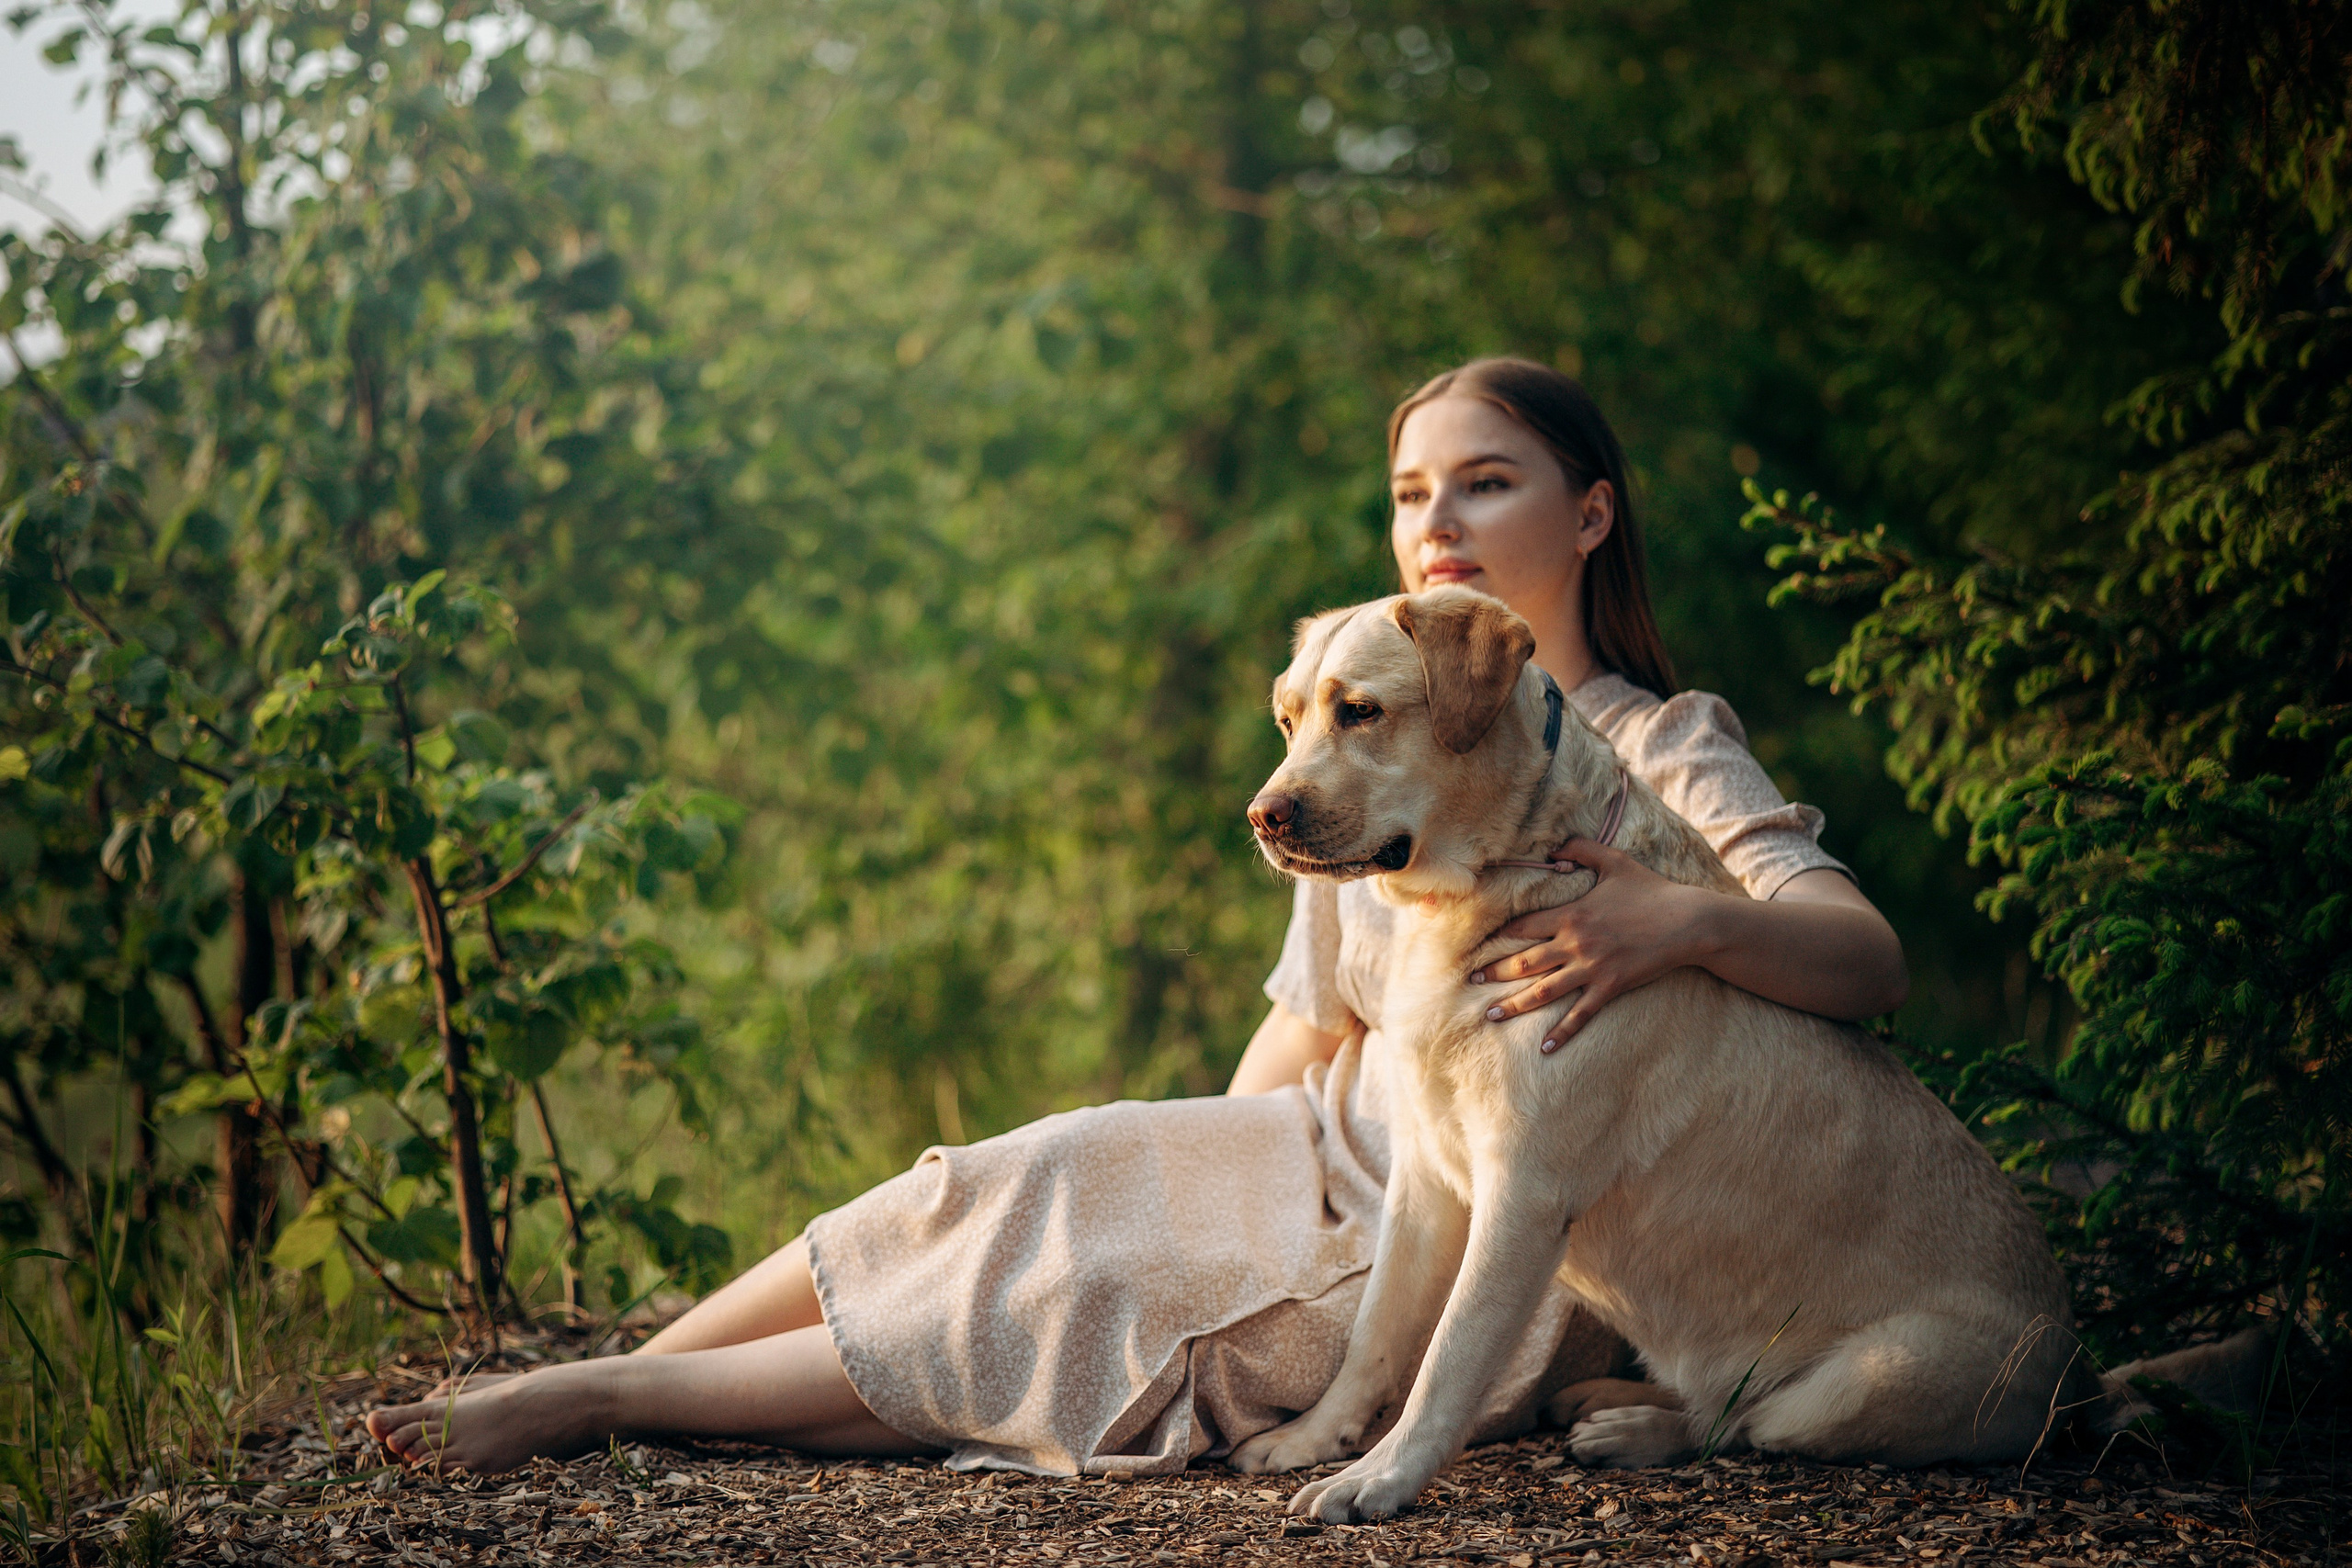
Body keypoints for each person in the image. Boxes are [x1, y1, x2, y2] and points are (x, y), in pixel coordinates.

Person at [365, 357, 1908, 1475]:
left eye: (1486, 481)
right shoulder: (1357, 717)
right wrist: (1184, 1175)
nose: (1437, 517)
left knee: (1089, 1299)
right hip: (1328, 1146)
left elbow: (1865, 962)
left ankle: (598, 1407)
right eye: (1409, 491)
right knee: (1037, 1175)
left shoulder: (1657, 743)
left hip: (1488, 1239)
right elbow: (1307, 1028)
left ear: (1588, 517)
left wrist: (1678, 925)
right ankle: (629, 1369)